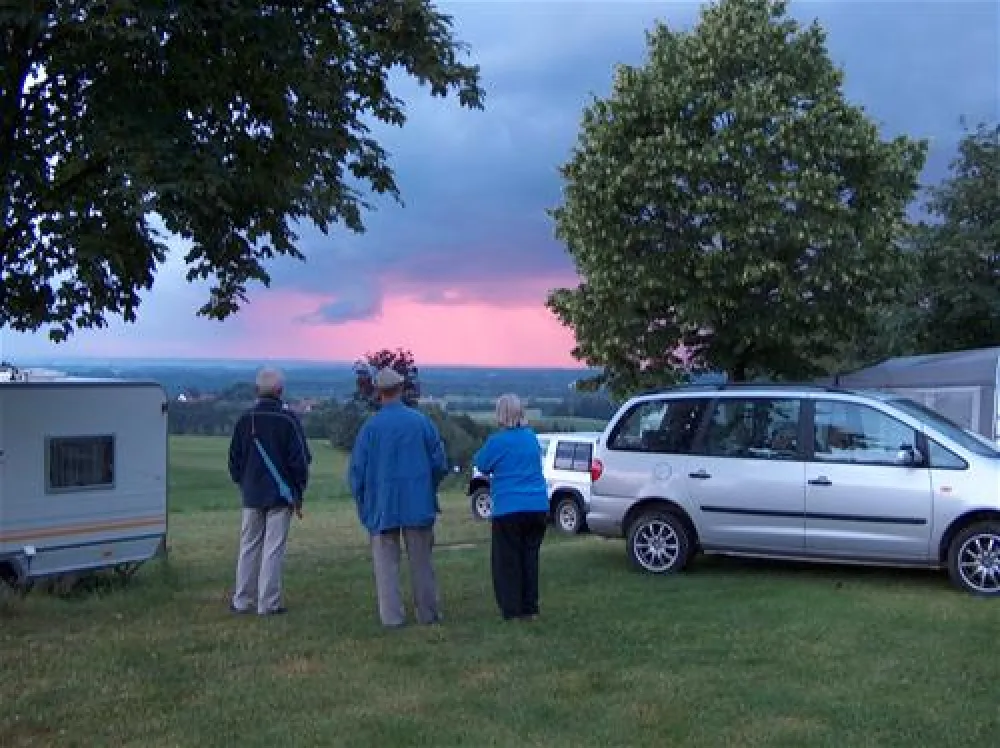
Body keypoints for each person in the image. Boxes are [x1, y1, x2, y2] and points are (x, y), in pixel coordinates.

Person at [349, 367, 449, 628]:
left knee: (385, 565)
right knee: (422, 563)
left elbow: (357, 472)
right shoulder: (421, 422)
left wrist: (363, 503)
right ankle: (428, 614)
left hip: (382, 503)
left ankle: (391, 617)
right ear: (402, 389)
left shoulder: (370, 428)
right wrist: (430, 487)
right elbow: (439, 462)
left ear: (378, 393)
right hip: (418, 500)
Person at [227, 367, 312, 616]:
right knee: (273, 549)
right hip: (280, 495)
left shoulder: (245, 419)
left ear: (257, 391)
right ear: (280, 391)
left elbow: (234, 460)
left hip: (252, 493)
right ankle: (268, 603)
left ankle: (242, 600)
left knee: (248, 547)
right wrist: (298, 492)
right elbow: (300, 460)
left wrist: (244, 483)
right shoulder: (288, 420)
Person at [472, 394, 549, 622]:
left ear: (500, 414)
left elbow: (482, 464)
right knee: (529, 558)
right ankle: (530, 608)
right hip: (537, 505)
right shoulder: (530, 438)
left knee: (508, 561)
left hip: (509, 506)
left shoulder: (498, 441)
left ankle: (512, 610)